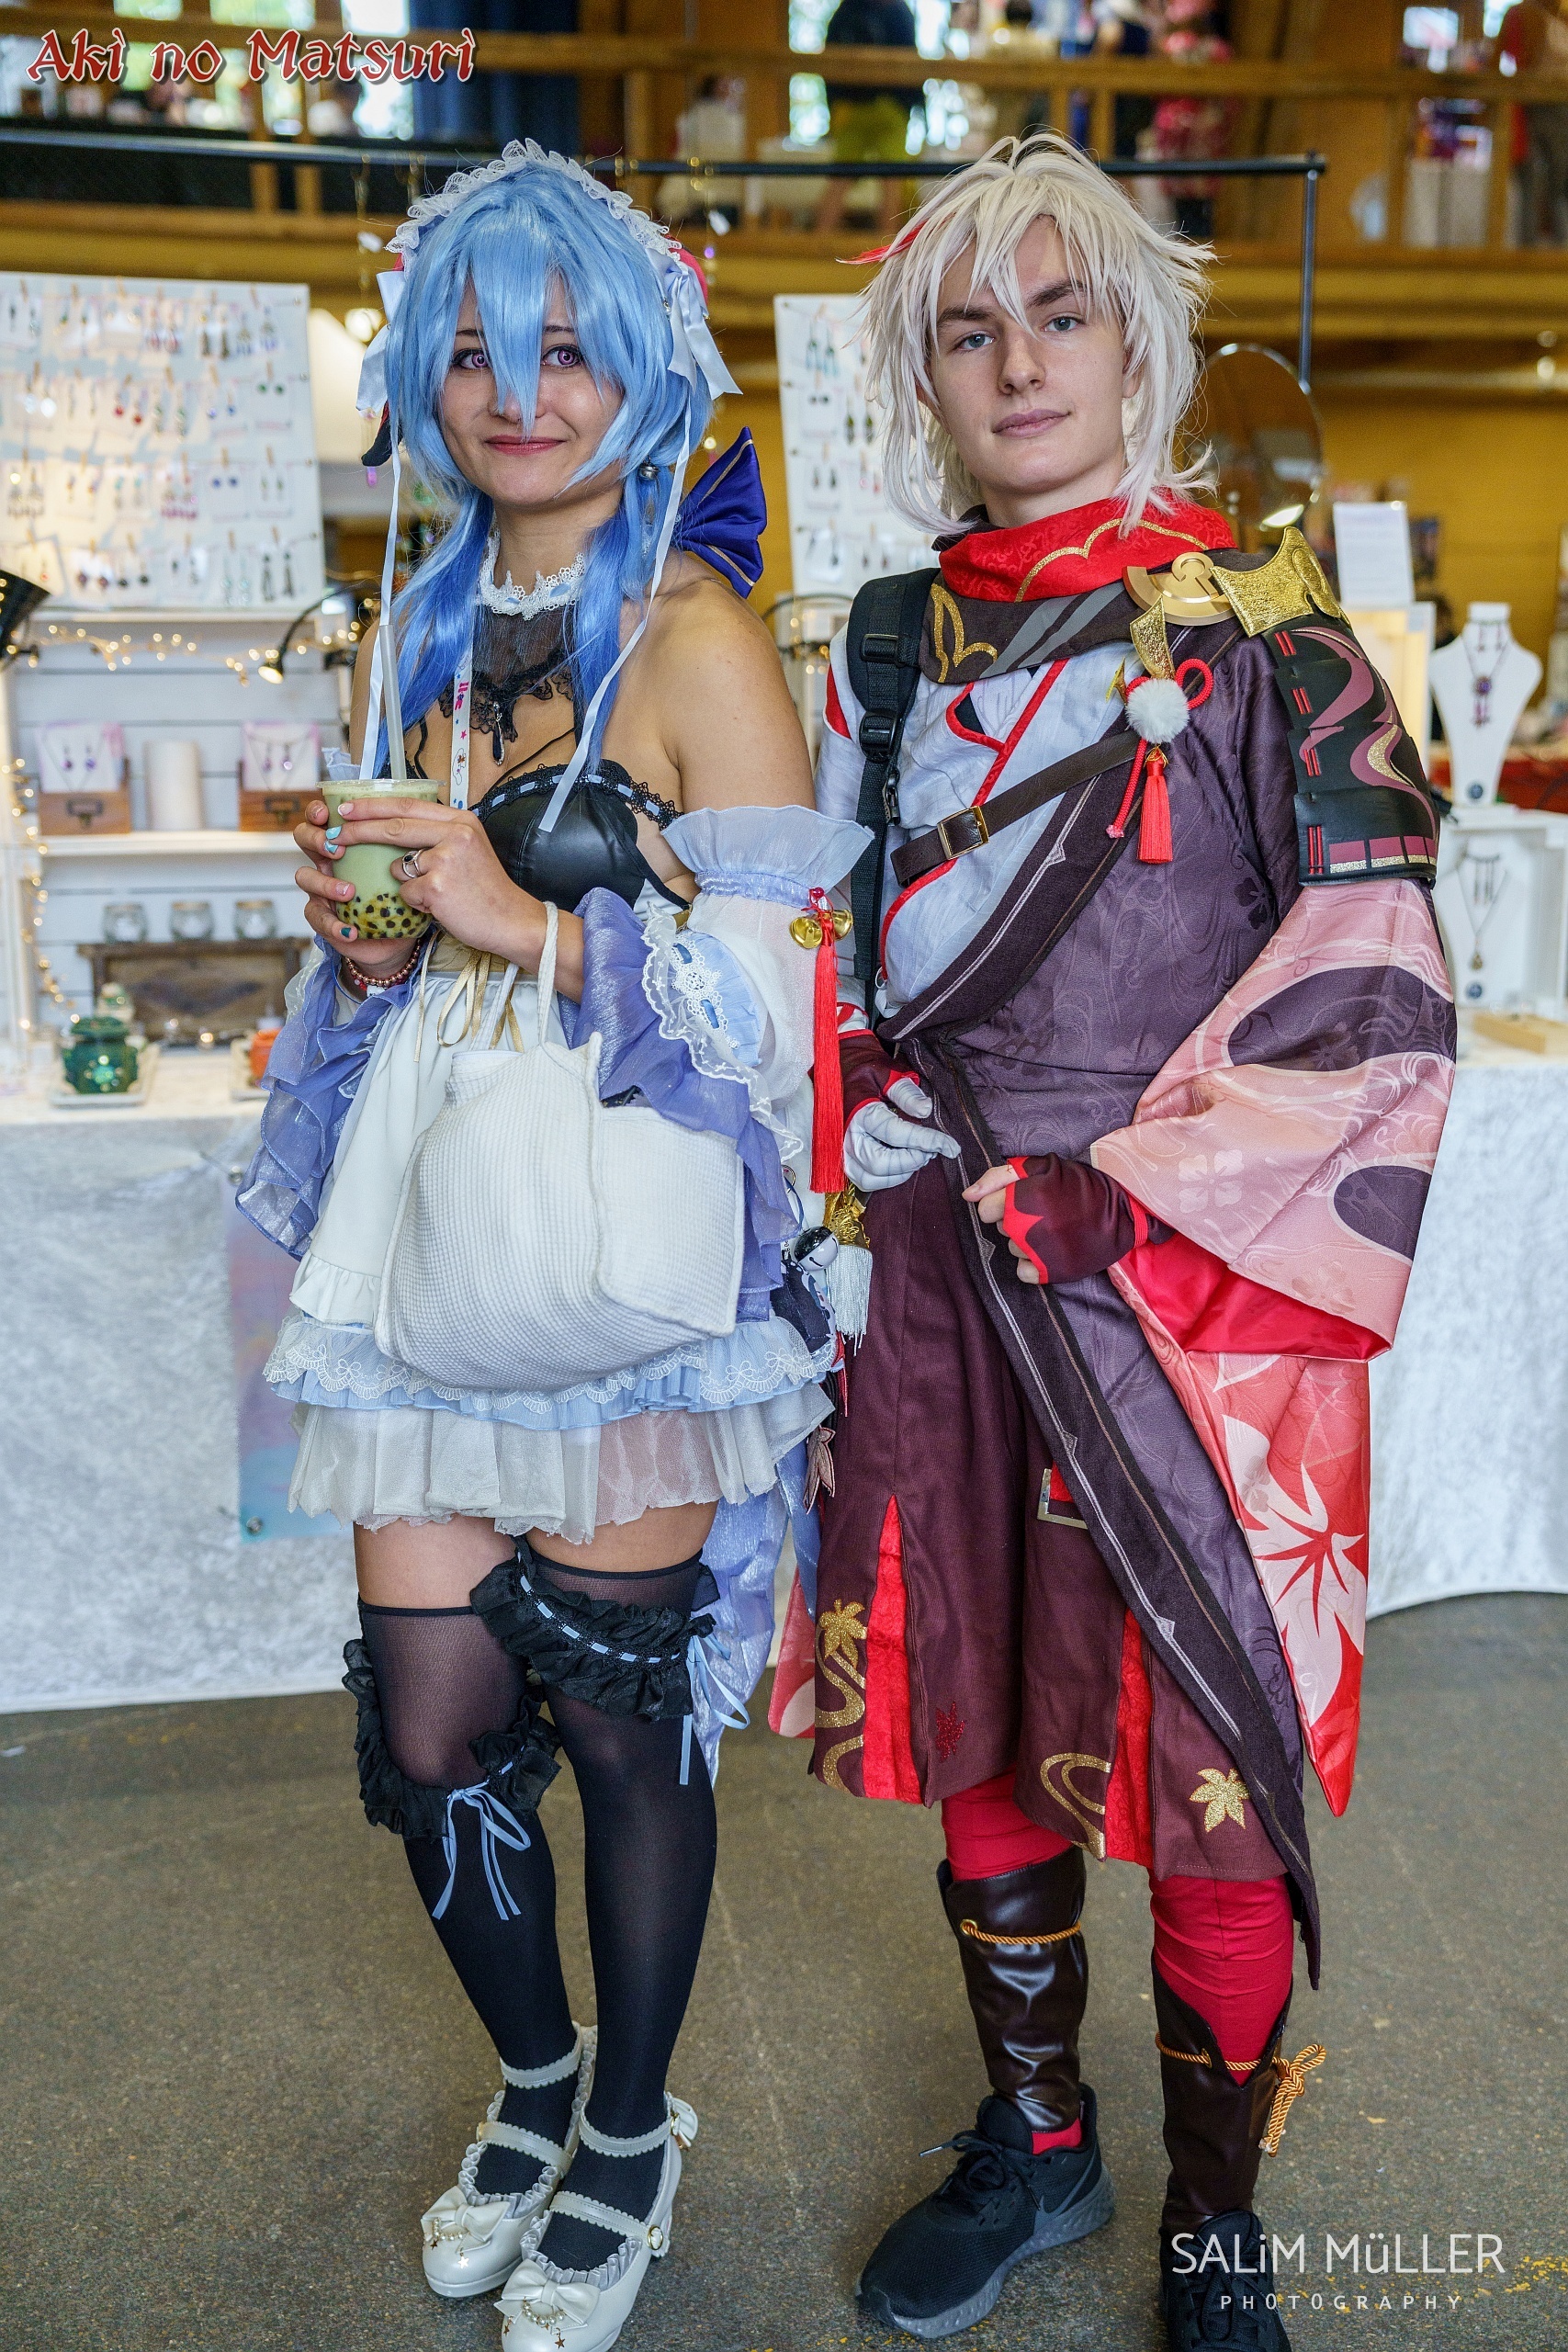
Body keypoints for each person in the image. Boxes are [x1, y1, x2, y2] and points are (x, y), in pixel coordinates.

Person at [778, 134, 1453, 2348]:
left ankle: (1216, 2212)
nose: (1017, 363)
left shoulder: (1269, 641)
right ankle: (1038, 2134)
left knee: (1209, 1770)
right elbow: (818, 942)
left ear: (1139, 338)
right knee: (974, 1700)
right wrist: (845, 1103)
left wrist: (1122, 1189)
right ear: (921, 376)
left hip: (1187, 1299)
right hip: (933, 1278)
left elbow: (1372, 983)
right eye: (968, 330)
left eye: (1059, 314)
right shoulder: (883, 649)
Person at [239, 144, 865, 2352]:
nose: (524, 393)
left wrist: (520, 915)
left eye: (572, 349)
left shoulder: (697, 640)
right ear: (426, 375)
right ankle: (529, 2080)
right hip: (433, 1240)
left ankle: (624, 2126)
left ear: (647, 368)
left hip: (623, 1264)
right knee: (431, 1726)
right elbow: (406, 963)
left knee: (611, 1721)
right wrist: (370, 939)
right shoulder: (416, 630)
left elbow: (780, 1018)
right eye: (482, 354)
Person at [814, 0, 925, 235]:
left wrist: (835, 104)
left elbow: (828, 61)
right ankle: (888, 250)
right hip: (888, 106)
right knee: (891, 181)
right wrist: (911, 103)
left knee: (841, 178)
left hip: (856, 107)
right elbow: (912, 62)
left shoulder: (846, 11)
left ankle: (818, 243)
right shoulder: (898, 11)